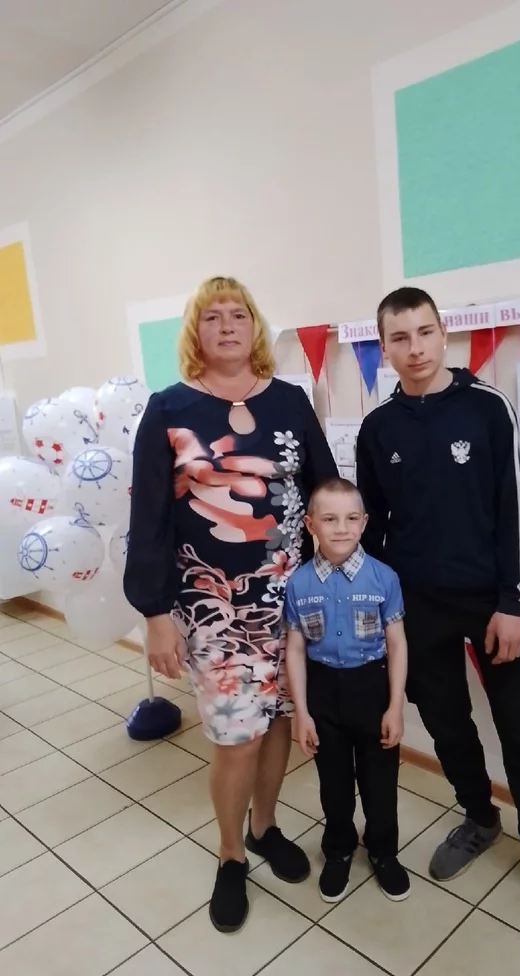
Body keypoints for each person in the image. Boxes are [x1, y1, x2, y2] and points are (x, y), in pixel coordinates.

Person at [355, 286, 520, 955]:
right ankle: (478, 815)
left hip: (493, 602)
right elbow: (374, 526)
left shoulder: (488, 409)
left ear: (444, 334)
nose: (415, 348)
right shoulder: (379, 430)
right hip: (418, 606)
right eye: (399, 338)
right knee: (446, 721)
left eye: (425, 332)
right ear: (384, 348)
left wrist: (515, 602)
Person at [124, 275, 338, 933]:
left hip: (293, 599)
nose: (226, 324)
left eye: (237, 313)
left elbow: (323, 491)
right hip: (211, 606)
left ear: (254, 326)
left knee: (275, 722)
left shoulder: (293, 402)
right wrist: (156, 612)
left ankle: (266, 825)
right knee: (235, 736)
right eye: (211, 316)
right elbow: (151, 518)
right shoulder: (168, 409)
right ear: (197, 333)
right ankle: (229, 853)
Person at [284, 478, 410, 903]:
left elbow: (397, 643)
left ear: (364, 522)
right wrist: (301, 712)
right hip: (323, 692)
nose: (342, 528)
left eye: (352, 518)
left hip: (371, 688)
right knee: (333, 783)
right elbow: (296, 648)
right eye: (330, 519)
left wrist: (395, 706)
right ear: (310, 524)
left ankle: (383, 852)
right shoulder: (298, 584)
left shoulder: (383, 577)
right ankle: (338, 849)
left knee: (380, 783)